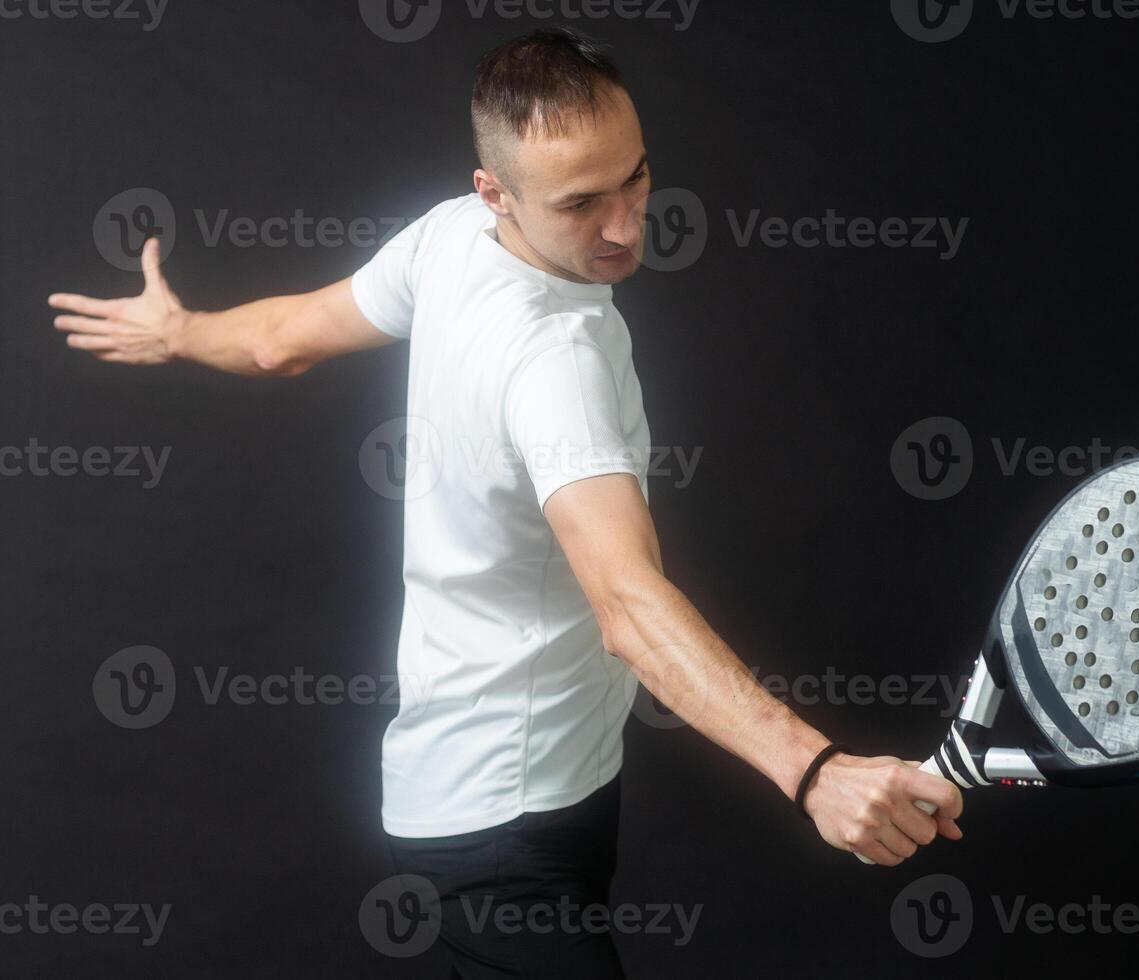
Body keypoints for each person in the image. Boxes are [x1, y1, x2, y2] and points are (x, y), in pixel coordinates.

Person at [48, 26, 963, 978]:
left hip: (512, 792)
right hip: (504, 831)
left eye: (635, 179)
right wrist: (814, 770)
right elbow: (627, 604)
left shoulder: (448, 237)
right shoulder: (554, 359)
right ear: (497, 192)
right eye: (579, 204)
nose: (623, 225)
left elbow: (284, 339)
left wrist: (183, 330)